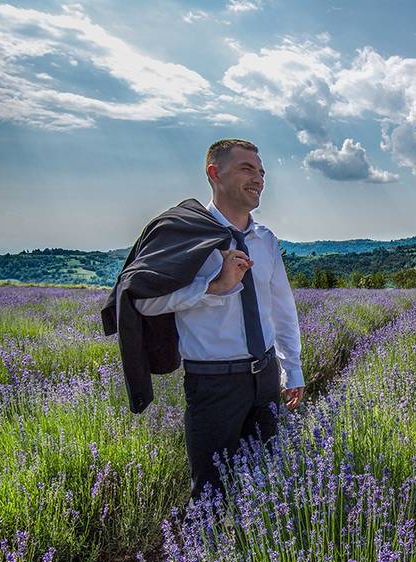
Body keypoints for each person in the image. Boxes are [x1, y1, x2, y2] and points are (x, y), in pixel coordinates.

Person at [104, 138, 305, 502]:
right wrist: (212, 287)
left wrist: (293, 370)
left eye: (261, 172)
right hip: (213, 384)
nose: (258, 178)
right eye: (247, 168)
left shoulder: (265, 240)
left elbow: (283, 309)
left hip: (266, 379)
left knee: (268, 485)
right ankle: (207, 555)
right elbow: (142, 302)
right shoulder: (185, 235)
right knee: (211, 495)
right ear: (214, 173)